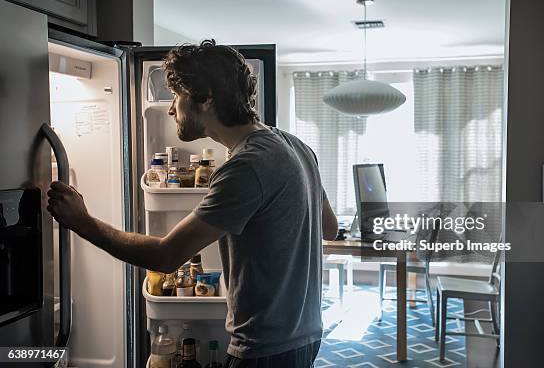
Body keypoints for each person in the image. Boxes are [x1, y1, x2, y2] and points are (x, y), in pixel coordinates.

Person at [47, 40, 339, 368]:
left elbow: (166, 255)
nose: (171, 109)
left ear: (205, 98)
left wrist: (82, 221)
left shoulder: (246, 167)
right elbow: (330, 227)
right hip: (306, 335)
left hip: (265, 348)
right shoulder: (295, 145)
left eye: (176, 96)